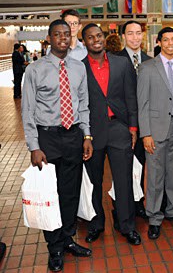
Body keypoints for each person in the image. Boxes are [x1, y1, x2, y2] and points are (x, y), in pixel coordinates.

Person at [21, 19, 93, 272]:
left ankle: (68, 238)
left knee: (70, 192)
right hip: (47, 139)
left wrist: (86, 136)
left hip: (73, 135)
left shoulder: (78, 68)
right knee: (50, 195)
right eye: (57, 34)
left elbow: (83, 104)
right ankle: (55, 248)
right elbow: (28, 110)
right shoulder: (35, 69)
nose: (62, 37)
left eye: (66, 34)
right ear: (49, 38)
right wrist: (33, 146)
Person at [81, 24, 141, 246]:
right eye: (90, 37)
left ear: (104, 38)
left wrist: (133, 128)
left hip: (119, 128)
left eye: (99, 36)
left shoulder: (122, 64)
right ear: (84, 41)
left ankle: (127, 225)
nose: (95, 40)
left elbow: (131, 98)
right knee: (94, 181)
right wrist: (84, 135)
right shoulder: (80, 68)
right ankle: (96, 224)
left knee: (124, 180)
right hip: (92, 133)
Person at [137, 27, 173, 240]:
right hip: (155, 131)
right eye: (166, 40)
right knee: (154, 176)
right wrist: (146, 134)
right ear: (159, 42)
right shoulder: (147, 68)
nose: (170, 43)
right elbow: (142, 104)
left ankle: (172, 210)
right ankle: (154, 216)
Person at [116, 20, 151, 218]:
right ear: (123, 37)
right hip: (123, 124)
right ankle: (123, 205)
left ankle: (138, 203)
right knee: (123, 168)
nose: (135, 37)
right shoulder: (114, 59)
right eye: (130, 33)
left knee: (141, 165)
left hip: (144, 124)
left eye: (138, 33)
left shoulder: (149, 60)